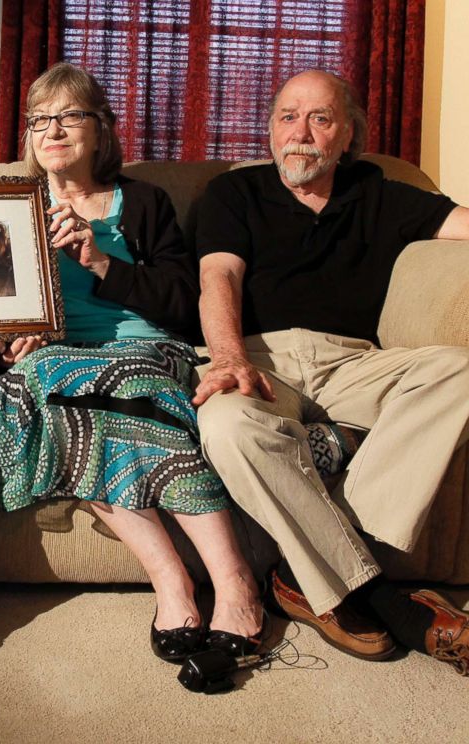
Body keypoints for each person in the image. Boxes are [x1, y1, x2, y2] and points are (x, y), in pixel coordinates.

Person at [0, 62, 265, 663]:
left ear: (101, 129)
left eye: (70, 116)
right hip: (58, 356)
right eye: (40, 119)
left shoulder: (141, 201)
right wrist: (9, 334)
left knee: (120, 379)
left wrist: (100, 262)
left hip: (144, 346)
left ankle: (235, 581)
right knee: (43, 381)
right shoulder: (6, 206)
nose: (52, 130)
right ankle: (173, 581)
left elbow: (182, 303)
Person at [195, 69, 469, 674]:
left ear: (347, 135)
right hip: (260, 358)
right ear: (271, 130)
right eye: (288, 117)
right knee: (226, 427)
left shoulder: (381, 193)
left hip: (354, 362)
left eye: (320, 119)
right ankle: (379, 595)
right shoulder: (232, 193)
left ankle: (309, 569)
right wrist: (229, 357)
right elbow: (219, 276)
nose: (301, 133)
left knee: (460, 372)